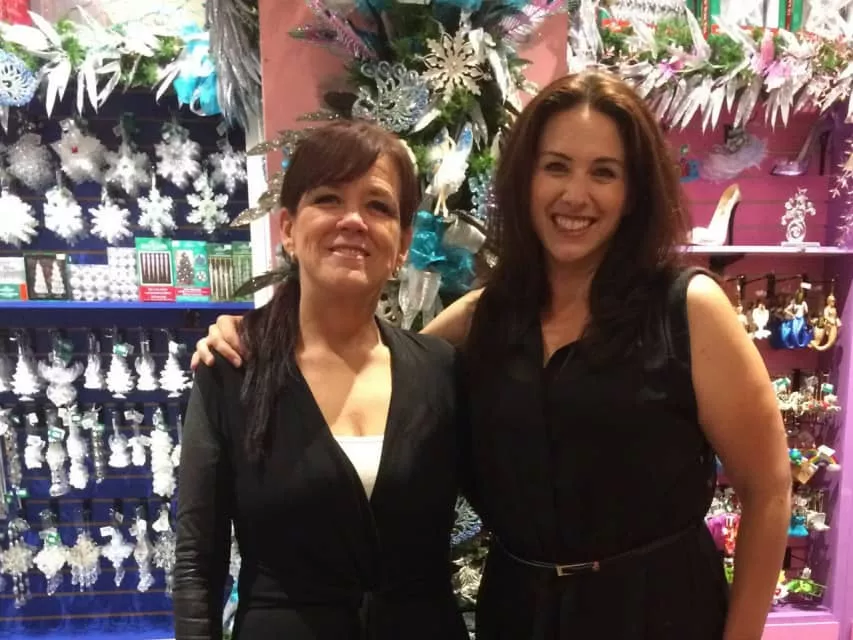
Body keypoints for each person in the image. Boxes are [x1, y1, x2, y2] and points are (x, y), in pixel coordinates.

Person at [191, 71, 791, 639]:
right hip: (520, 615)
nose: (575, 194)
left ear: (633, 193)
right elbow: (390, 358)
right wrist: (253, 336)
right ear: (526, 181)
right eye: (555, 166)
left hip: (657, 615)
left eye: (604, 172)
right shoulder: (487, 316)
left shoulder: (686, 309)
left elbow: (767, 489)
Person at [173, 120, 469, 640]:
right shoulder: (235, 367)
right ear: (288, 229)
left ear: (402, 245)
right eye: (329, 199)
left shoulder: (439, 372)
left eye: (378, 206)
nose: (353, 220)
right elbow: (199, 559)